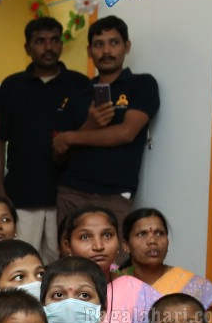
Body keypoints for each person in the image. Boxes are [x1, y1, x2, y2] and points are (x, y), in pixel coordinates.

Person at [0, 17, 89, 265]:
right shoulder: (12, 86)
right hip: (22, 195)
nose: (48, 47)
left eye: (54, 40)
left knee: (64, 264)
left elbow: (89, 136)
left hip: (68, 194)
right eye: (40, 41)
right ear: (27, 47)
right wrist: (1, 194)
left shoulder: (80, 85)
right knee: (23, 264)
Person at [52, 16, 160, 231]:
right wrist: (89, 125)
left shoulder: (142, 85)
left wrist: (74, 136)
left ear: (126, 47)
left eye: (114, 42)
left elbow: (126, 133)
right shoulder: (78, 94)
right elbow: (58, 153)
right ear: (89, 51)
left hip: (116, 195)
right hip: (72, 192)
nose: (107, 51)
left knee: (114, 263)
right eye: (99, 45)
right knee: (70, 263)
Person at [62, 205, 160, 323]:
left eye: (107, 235)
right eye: (85, 237)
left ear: (119, 242)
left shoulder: (138, 292)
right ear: (68, 246)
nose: (98, 246)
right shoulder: (54, 292)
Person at [119, 208, 212, 313]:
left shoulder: (191, 285)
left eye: (159, 233)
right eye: (142, 234)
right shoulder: (116, 284)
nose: (152, 240)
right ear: (126, 245)